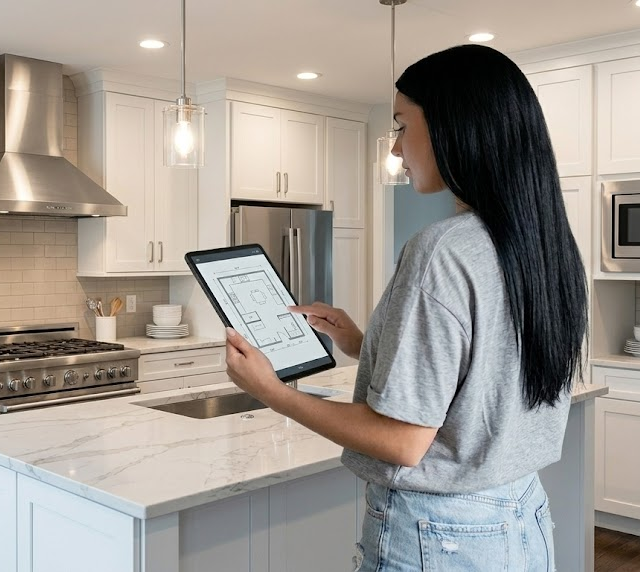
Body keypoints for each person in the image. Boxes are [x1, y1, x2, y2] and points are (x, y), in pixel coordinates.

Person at [223, 43, 588, 571]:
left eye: (401, 125)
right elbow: (484, 374)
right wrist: (362, 342)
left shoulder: (442, 249)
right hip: (522, 515)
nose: (395, 149)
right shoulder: (547, 246)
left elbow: (402, 441)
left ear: (453, 127)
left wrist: (273, 393)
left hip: (439, 533)